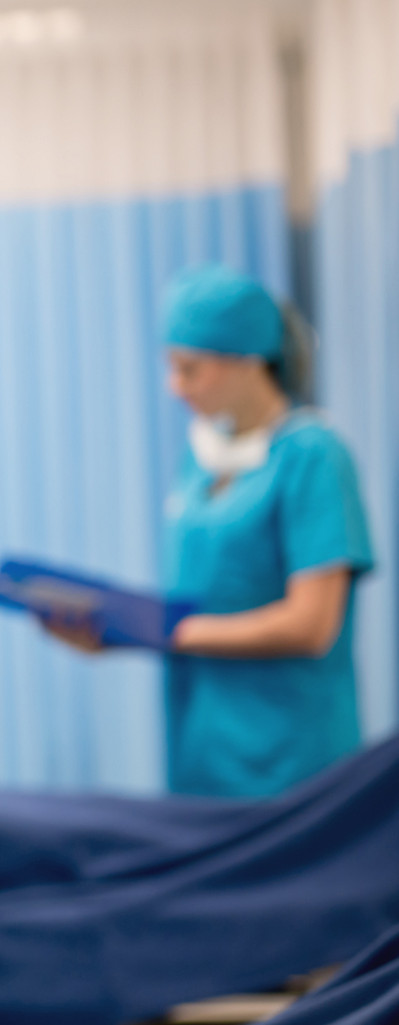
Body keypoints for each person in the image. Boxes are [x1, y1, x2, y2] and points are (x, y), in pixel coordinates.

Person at [51, 265, 376, 797]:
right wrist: (113, 630)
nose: (174, 387)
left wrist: (165, 633)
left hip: (290, 758)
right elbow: (201, 604)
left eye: (189, 369)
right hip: (202, 747)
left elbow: (313, 625)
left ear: (248, 360)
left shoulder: (313, 458)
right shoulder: (200, 461)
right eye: (169, 368)